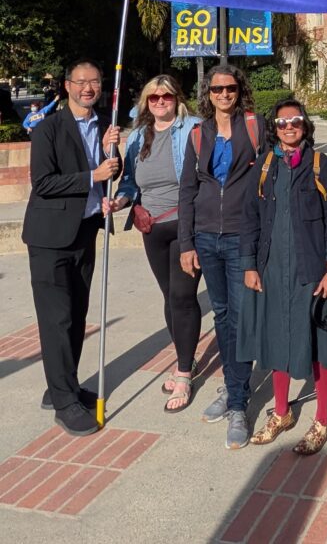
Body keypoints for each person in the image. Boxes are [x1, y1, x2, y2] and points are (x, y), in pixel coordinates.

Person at [238, 99, 327, 456]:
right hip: (271, 268)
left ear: (305, 125)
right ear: (275, 129)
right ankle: (282, 412)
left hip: (309, 270)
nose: (289, 127)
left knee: (318, 344)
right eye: (282, 123)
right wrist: (249, 265)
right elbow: (249, 218)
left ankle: (321, 419)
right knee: (276, 340)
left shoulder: (319, 165)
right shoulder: (265, 165)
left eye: (295, 121)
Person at [22, 60, 121, 436]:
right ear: (67, 86)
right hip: (50, 239)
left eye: (94, 81)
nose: (88, 88)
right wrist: (90, 177)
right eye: (81, 82)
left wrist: (104, 194)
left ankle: (63, 384)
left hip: (84, 231)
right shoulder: (48, 128)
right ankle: (64, 403)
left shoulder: (103, 126)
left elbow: (109, 172)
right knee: (56, 319)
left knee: (77, 316)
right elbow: (44, 183)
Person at [178, 64, 266, 449]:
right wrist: (185, 243)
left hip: (241, 235)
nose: (224, 95)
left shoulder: (254, 125)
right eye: (217, 90)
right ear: (208, 93)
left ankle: (237, 401)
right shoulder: (199, 133)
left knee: (241, 317)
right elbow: (186, 191)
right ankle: (233, 389)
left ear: (239, 89)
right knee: (224, 315)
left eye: (230, 88)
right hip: (205, 237)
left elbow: (270, 172)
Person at [116, 75, 202, 413]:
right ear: (146, 102)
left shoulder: (193, 128)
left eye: (166, 96)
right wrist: (120, 202)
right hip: (151, 226)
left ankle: (183, 373)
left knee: (183, 296)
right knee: (169, 297)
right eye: (154, 97)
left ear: (177, 98)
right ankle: (187, 357)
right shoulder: (137, 135)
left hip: (184, 223)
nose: (160, 102)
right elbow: (127, 181)